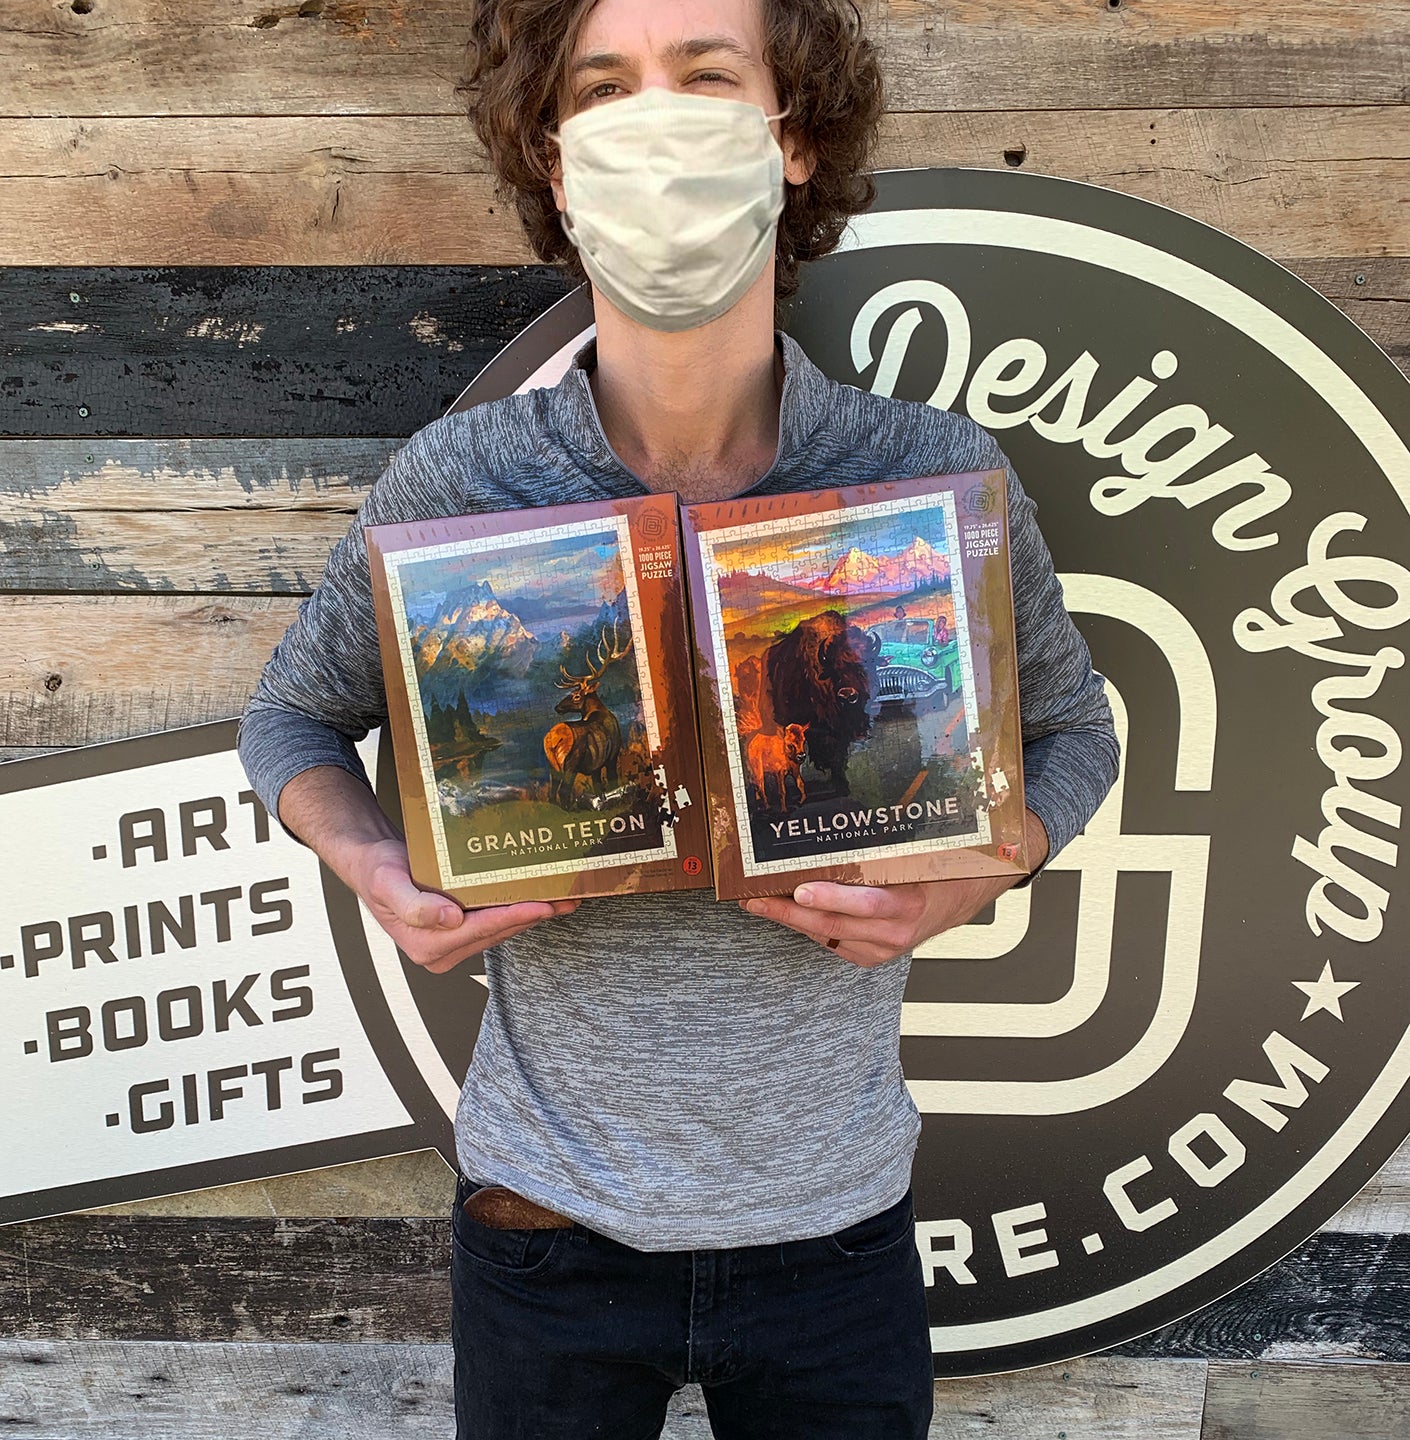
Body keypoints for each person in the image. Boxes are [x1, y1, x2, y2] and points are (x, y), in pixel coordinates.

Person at [237, 0, 1120, 1434]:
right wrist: (377, 870)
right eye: (604, 89)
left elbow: (1078, 733)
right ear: (552, 153)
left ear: (793, 135)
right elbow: (290, 720)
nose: (654, 121)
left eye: (705, 76)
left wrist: (993, 860)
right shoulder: (461, 481)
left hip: (837, 1228)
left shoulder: (927, 477)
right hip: (544, 1223)